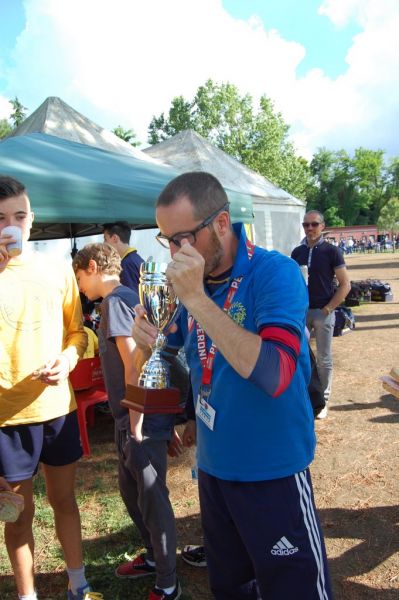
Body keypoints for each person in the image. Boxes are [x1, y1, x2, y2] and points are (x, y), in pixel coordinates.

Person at [132, 172, 333, 600]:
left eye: (183, 238)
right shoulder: (193, 286)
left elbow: (274, 373)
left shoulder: (273, 272)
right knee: (233, 589)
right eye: (166, 240)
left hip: (272, 470)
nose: (175, 253)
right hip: (215, 470)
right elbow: (175, 364)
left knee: (294, 589)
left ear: (221, 224)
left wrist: (197, 301)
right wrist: (146, 345)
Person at [0, 176, 101, 600]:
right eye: (1, 218)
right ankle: (27, 595)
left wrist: (69, 358)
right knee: (16, 516)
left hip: (55, 409)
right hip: (7, 416)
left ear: (32, 219)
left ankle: (78, 583)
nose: (12, 225)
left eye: (19, 216)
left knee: (65, 502)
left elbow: (77, 332)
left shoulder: (56, 269)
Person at [72, 243, 181, 600]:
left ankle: (168, 581)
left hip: (138, 417)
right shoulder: (120, 299)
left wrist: (135, 424)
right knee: (130, 491)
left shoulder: (115, 301)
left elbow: (134, 363)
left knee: (152, 498)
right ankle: (153, 557)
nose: (80, 287)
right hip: (133, 415)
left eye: (79, 278)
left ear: (91, 267)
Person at [292, 210, 350, 419]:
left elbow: (345, 285)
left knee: (324, 358)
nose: (309, 228)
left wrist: (328, 309)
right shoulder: (297, 252)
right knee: (300, 354)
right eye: (306, 224)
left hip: (323, 311)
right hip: (301, 313)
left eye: (314, 224)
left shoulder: (332, 251)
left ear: (322, 226)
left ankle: (323, 400)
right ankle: (305, 396)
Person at [103, 220, 144, 294]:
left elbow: (129, 298)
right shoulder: (136, 259)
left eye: (105, 239)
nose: (103, 243)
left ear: (115, 238)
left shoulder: (126, 264)